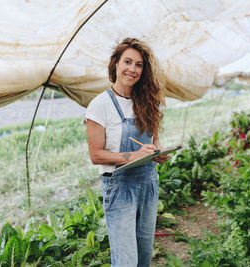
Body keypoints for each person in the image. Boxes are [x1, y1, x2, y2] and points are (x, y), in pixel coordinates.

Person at [84, 37, 169, 266]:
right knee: (126, 261)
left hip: (148, 184)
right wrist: (132, 156)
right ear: (116, 64)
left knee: (143, 257)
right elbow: (96, 155)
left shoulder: (148, 101)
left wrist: (158, 153)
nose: (132, 69)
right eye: (128, 62)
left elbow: (155, 141)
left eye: (139, 64)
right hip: (120, 187)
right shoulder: (101, 104)